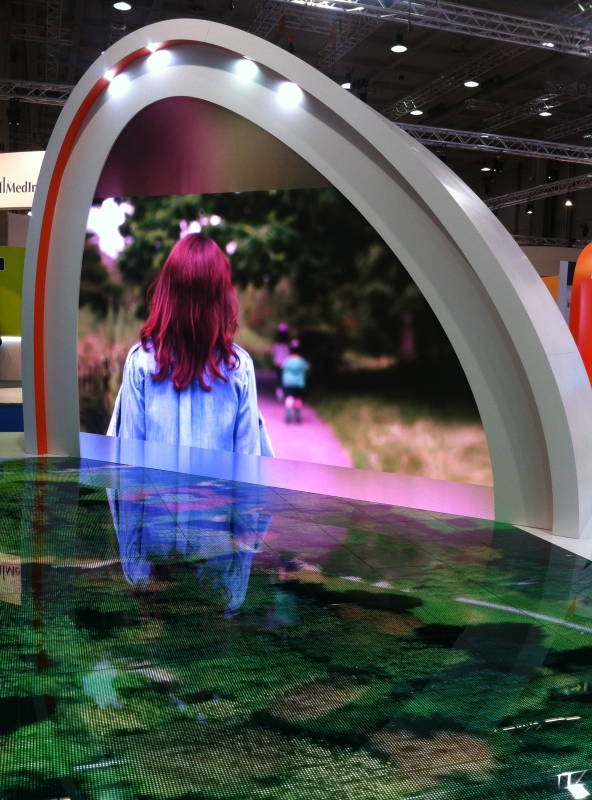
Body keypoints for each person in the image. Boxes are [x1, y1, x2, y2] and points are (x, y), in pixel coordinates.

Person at [108, 233, 273, 456]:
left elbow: (128, 463)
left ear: (168, 293)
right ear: (219, 298)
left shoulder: (141, 362)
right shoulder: (239, 367)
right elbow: (249, 463)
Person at [281, 339, 310, 423]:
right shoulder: (301, 361)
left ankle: (289, 414)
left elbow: (282, 367)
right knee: (298, 398)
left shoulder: (287, 360)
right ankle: (297, 416)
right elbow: (307, 368)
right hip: (299, 382)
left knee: (289, 397)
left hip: (288, 382)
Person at [272, 323, 290, 402]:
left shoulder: (276, 344)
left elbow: (273, 352)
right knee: (284, 379)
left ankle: (279, 392)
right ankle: (284, 393)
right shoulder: (288, 345)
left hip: (278, 363)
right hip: (286, 364)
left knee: (279, 378)